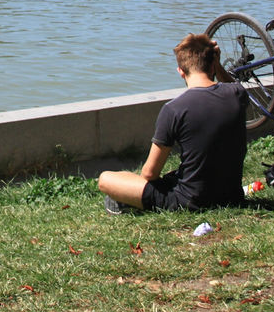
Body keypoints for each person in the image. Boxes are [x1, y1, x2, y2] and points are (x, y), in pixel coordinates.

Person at [98, 33, 248, 214]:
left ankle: (128, 202)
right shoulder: (237, 94)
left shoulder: (174, 109)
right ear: (213, 64)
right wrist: (217, 65)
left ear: (180, 71)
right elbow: (231, 85)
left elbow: (149, 174)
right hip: (232, 195)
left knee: (106, 179)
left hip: (189, 201)